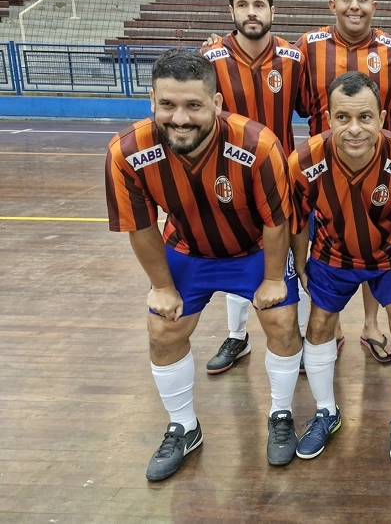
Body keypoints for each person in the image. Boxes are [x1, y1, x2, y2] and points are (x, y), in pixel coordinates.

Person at [105, 49, 303, 481]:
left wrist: (273, 278)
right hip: (188, 250)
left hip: (253, 250)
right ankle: (184, 426)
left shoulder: (258, 144)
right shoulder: (127, 152)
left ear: (215, 104)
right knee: (162, 327)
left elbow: (277, 222)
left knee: (284, 321)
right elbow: (141, 227)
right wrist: (161, 286)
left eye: (193, 105)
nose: (180, 118)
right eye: (168, 105)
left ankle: (282, 414)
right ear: (151, 102)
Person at [287, 72, 391, 463]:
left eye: (365, 117)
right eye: (343, 118)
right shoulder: (304, 161)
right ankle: (326, 412)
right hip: (332, 257)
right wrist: (300, 262)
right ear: (328, 119)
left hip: (389, 259)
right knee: (318, 325)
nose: (354, 129)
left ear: (383, 117)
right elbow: (297, 219)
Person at [199, 0, 331, 376]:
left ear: (273, 12)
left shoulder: (293, 59)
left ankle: (306, 336)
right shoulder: (211, 59)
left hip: (283, 177)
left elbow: (311, 107)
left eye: (259, 5)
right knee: (238, 251)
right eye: (243, 5)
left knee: (296, 253)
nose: (251, 12)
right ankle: (238, 337)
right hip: (227, 177)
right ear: (232, 12)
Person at [296, 0, 391, 363]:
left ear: (374, 6)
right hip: (325, 173)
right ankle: (331, 329)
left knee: (375, 245)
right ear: (332, 5)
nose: (354, 5)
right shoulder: (308, 46)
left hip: (380, 168)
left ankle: (371, 324)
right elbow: (293, 93)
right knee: (332, 246)